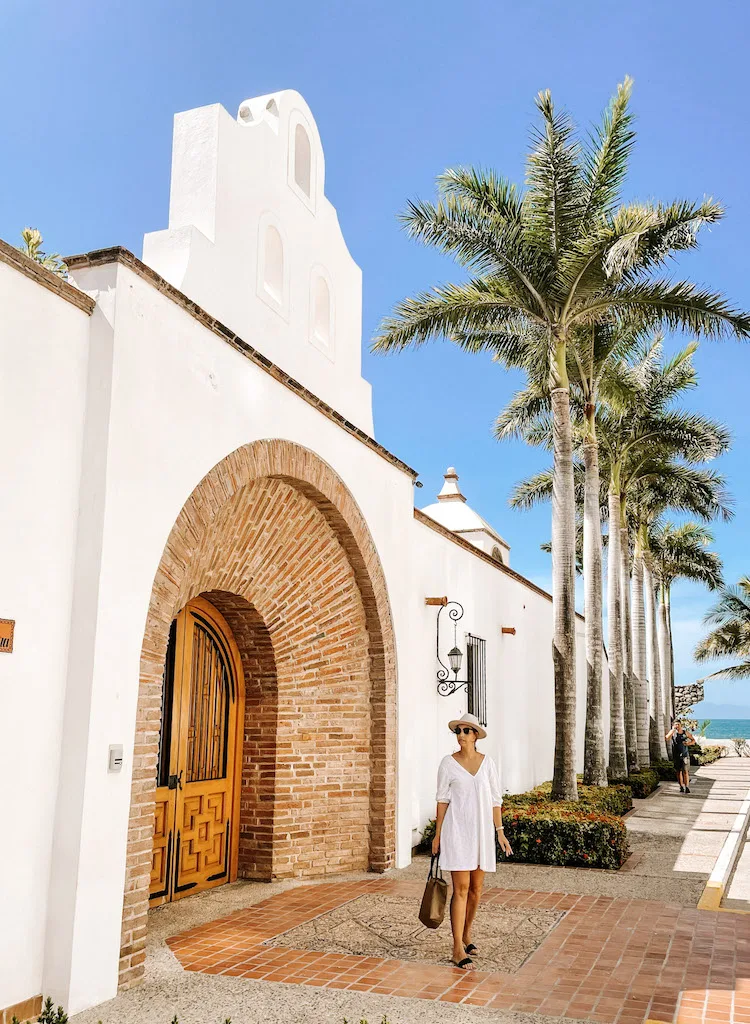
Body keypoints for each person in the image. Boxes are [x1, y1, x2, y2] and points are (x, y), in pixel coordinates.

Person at [431, 712, 512, 971]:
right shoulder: (448, 763)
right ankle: (456, 948)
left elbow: (495, 800)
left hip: (482, 834)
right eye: (459, 731)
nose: (461, 735)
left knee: (476, 890)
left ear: (476, 736)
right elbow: (442, 800)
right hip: (457, 832)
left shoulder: (488, 764)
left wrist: (500, 832)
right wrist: (437, 834)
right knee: (461, 889)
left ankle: (466, 934)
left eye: (467, 730)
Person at [666, 719, 695, 793]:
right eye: (675, 725)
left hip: (685, 755)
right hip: (676, 755)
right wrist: (672, 731)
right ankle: (681, 786)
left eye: (678, 724)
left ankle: (687, 787)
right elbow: (667, 738)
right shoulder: (673, 732)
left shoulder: (685, 732)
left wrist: (688, 744)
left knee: (685, 771)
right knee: (678, 772)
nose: (677, 726)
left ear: (680, 725)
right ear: (673, 725)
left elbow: (693, 740)